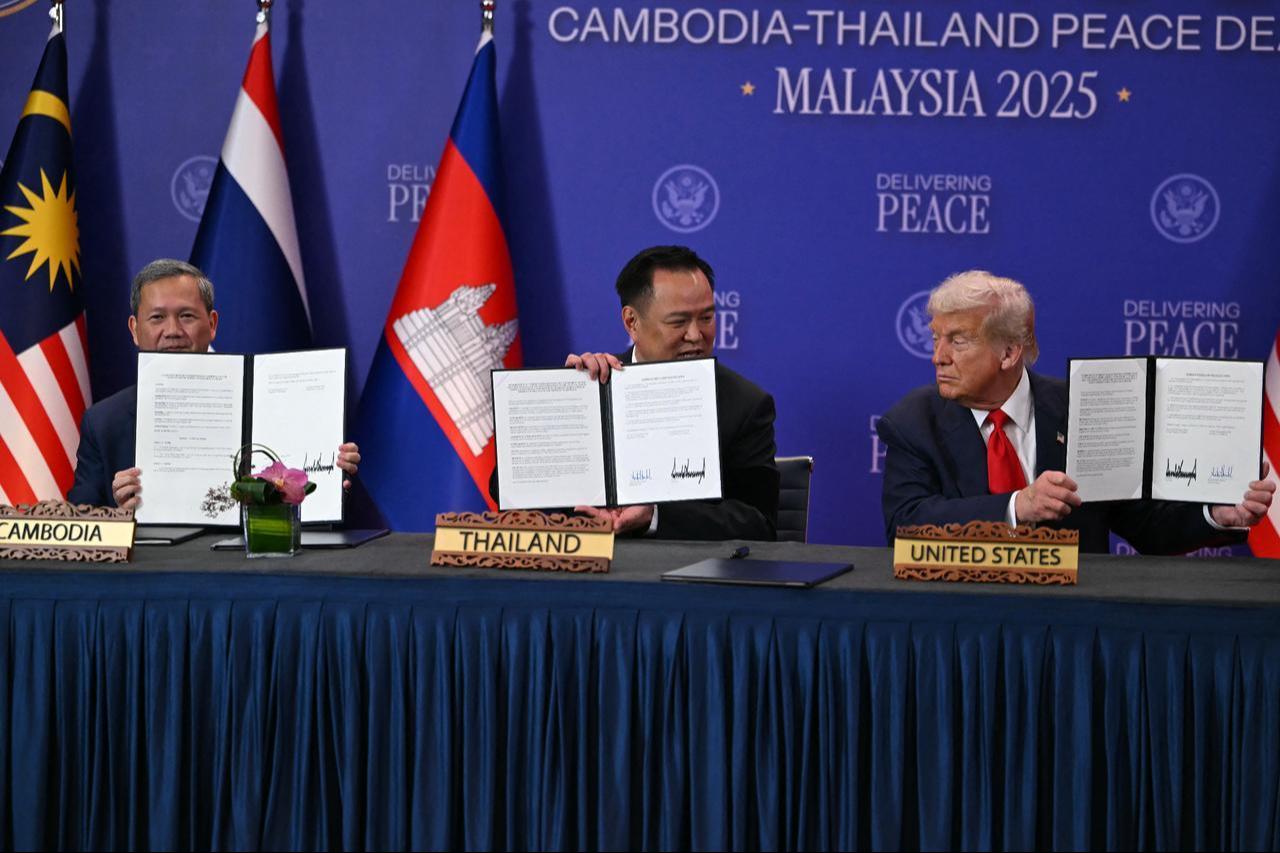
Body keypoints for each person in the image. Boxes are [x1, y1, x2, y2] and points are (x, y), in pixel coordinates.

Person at [877, 270, 1274, 553]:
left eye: (958, 341)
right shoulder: (914, 422)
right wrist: (1017, 506)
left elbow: (1144, 524)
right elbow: (906, 525)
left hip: (1073, 621)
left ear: (1009, 353)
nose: (938, 356)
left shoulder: (1082, 408)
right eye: (936, 338)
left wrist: (1216, 514)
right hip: (965, 617)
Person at [494, 245, 779, 540]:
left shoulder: (745, 404)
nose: (696, 335)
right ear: (632, 322)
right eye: (678, 322)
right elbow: (504, 487)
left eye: (706, 318)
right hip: (589, 561)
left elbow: (760, 524)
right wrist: (565, 405)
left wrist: (654, 516)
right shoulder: (594, 384)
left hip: (690, 566)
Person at [66, 258, 360, 509]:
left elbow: (309, 498)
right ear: (134, 329)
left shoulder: (269, 402)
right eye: (157, 317)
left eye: (186, 316)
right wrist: (118, 513)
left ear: (213, 324)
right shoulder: (103, 423)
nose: (172, 330)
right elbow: (79, 526)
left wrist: (331, 482)